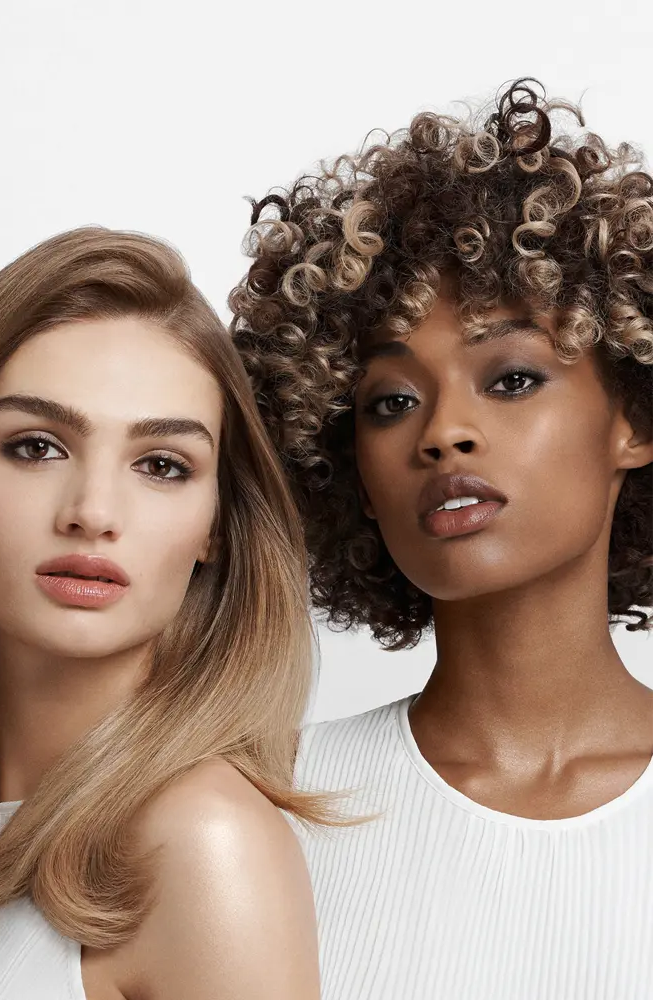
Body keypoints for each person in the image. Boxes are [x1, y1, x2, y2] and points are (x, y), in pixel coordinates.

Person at [230, 79, 653, 999]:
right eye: (390, 402)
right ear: (351, 476)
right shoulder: (267, 806)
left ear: (634, 419)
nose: (442, 434)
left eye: (509, 380)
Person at [0, 227, 328, 999]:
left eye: (161, 465)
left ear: (214, 527)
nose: (93, 512)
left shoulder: (203, 844)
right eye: (37, 447)